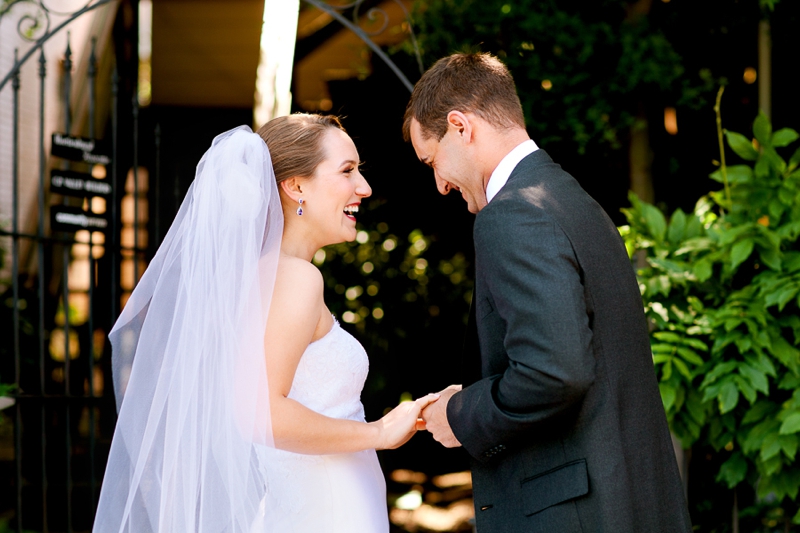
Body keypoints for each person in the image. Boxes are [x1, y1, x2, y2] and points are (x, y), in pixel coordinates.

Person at [93, 114, 437, 533]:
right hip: (326, 512)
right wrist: (379, 432)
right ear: (295, 186)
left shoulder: (267, 276)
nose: (363, 187)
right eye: (347, 171)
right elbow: (261, 414)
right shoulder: (295, 278)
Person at [405, 53, 692, 532]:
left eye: (432, 161)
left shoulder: (513, 214)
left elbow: (554, 371)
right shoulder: (571, 198)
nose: (439, 184)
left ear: (460, 127)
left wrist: (460, 414)